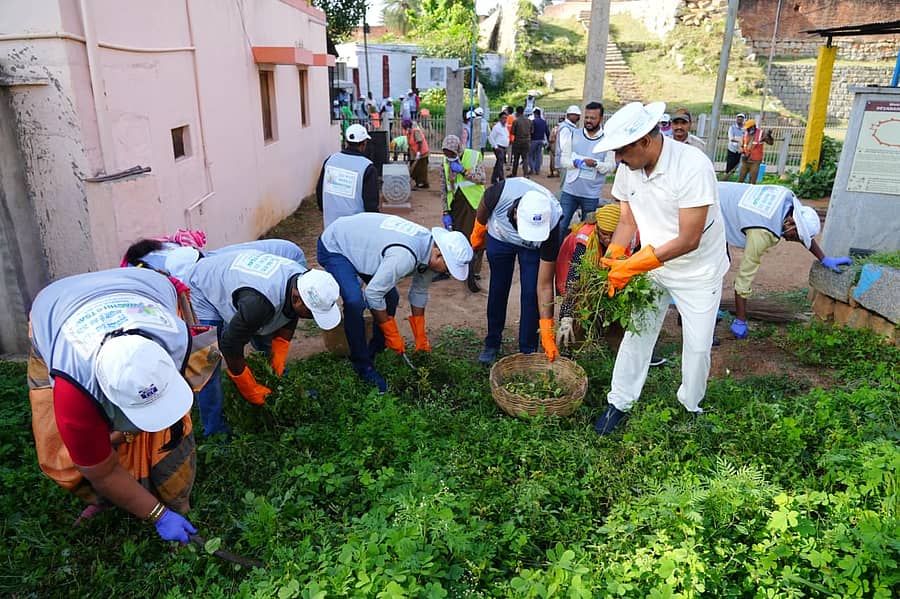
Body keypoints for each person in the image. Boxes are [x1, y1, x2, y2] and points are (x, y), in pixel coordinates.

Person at [28, 268, 201, 543]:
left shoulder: (175, 337)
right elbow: (101, 471)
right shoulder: (73, 391)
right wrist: (158, 515)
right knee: (70, 454)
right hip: (55, 304)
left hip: (143, 289)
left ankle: (176, 500)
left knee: (169, 437)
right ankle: (108, 499)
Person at [590, 101, 730, 436]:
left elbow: (689, 238)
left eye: (622, 151)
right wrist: (616, 254)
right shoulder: (628, 168)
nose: (618, 160)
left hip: (698, 272)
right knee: (637, 335)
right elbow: (626, 218)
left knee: (696, 346)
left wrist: (636, 263)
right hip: (652, 267)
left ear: (645, 141)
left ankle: (691, 405)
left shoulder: (693, 166)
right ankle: (619, 402)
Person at [186, 250, 341, 436]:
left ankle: (278, 387)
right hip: (202, 286)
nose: (312, 318)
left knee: (267, 344)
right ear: (296, 298)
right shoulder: (258, 305)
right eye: (312, 313)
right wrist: (248, 386)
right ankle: (215, 431)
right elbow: (229, 345)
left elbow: (290, 314)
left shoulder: (302, 280)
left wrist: (279, 352)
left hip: (241, 285)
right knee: (206, 363)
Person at [316, 213, 473, 392]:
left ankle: (377, 347)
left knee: (391, 297)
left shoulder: (430, 253)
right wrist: (392, 332)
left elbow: (419, 291)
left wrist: (420, 337)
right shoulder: (404, 257)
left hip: (366, 249)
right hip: (337, 245)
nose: (448, 273)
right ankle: (362, 365)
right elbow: (373, 294)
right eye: (449, 267)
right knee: (355, 301)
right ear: (438, 254)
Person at [718, 182, 851, 339]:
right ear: (791, 223)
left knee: (721, 259)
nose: (791, 241)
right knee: (713, 265)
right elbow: (744, 279)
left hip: (721, 191)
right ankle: (694, 310)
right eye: (795, 237)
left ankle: (705, 304)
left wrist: (824, 258)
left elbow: (800, 230)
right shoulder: (762, 232)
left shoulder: (787, 200)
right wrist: (741, 319)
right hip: (709, 206)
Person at [469, 178, 563, 364]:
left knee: (530, 293)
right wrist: (478, 232)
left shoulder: (553, 221)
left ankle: (528, 351)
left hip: (532, 247)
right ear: (515, 213)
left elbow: (544, 286)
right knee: (498, 289)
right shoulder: (499, 193)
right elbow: (483, 207)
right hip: (500, 238)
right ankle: (492, 343)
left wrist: (547, 330)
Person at [559, 101, 617, 232]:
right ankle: (557, 253)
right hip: (570, 192)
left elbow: (611, 166)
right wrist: (574, 163)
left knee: (586, 231)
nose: (588, 121)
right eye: (587, 117)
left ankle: (580, 253)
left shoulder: (607, 140)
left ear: (601, 119)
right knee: (561, 226)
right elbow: (564, 160)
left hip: (591, 195)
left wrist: (596, 164)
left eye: (593, 118)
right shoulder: (574, 135)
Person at [440, 134, 487, 292]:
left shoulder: (473, 156)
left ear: (458, 149)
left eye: (451, 153)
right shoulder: (445, 162)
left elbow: (481, 178)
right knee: (457, 237)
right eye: (446, 153)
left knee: (476, 238)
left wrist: (463, 171)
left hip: (474, 204)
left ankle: (474, 271)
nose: (449, 156)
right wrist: (445, 211)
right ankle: (456, 268)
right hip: (456, 205)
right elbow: (443, 187)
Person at [316, 124, 379, 228]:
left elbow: (320, 191)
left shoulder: (330, 161)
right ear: (364, 144)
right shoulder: (367, 167)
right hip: (357, 227)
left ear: (346, 142)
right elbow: (371, 203)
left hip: (331, 224)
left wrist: (325, 210)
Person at [738, 119, 774, 185]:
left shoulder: (761, 133)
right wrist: (742, 152)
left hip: (755, 161)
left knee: (752, 181)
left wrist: (769, 136)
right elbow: (742, 145)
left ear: (753, 127)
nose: (747, 130)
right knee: (741, 179)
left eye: (748, 128)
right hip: (745, 160)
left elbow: (770, 143)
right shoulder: (745, 134)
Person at [555, 105, 582, 188]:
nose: (578, 117)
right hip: (566, 161)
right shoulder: (566, 128)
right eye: (576, 115)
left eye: (578, 115)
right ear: (569, 115)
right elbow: (564, 147)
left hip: (568, 161)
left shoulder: (570, 127)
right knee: (565, 186)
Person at [405, 118, 430, 189]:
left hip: (422, 153)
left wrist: (419, 152)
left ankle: (422, 183)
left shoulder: (416, 131)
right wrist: (409, 154)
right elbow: (409, 144)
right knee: (414, 169)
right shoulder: (408, 132)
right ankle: (418, 182)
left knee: (421, 169)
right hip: (414, 153)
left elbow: (419, 142)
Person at [721, 113, 746, 181]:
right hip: (732, 149)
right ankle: (726, 177)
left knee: (736, 164)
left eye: (741, 119)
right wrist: (740, 140)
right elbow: (731, 138)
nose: (740, 120)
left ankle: (731, 177)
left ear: (743, 120)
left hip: (740, 149)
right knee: (730, 164)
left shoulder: (745, 129)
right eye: (738, 118)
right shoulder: (732, 128)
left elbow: (746, 138)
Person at [510, 106, 533, 177]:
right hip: (526, 142)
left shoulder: (515, 121)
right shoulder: (529, 121)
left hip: (517, 142)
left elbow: (512, 132)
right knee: (525, 158)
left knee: (516, 159)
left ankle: (514, 174)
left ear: (517, 112)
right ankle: (525, 174)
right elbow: (532, 131)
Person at [489, 112, 510, 184]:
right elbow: (491, 137)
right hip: (498, 147)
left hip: (504, 147)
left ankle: (495, 178)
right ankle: (500, 179)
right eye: (503, 118)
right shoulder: (496, 127)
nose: (505, 120)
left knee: (499, 163)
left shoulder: (505, 127)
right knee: (500, 163)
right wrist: (495, 146)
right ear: (500, 119)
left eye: (506, 118)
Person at [529, 108, 550, 177]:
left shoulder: (533, 121)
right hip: (541, 140)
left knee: (530, 155)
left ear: (535, 114)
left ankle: (532, 168)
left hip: (534, 139)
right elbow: (547, 131)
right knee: (538, 155)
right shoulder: (544, 122)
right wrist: (548, 140)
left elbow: (531, 131)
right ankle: (537, 170)